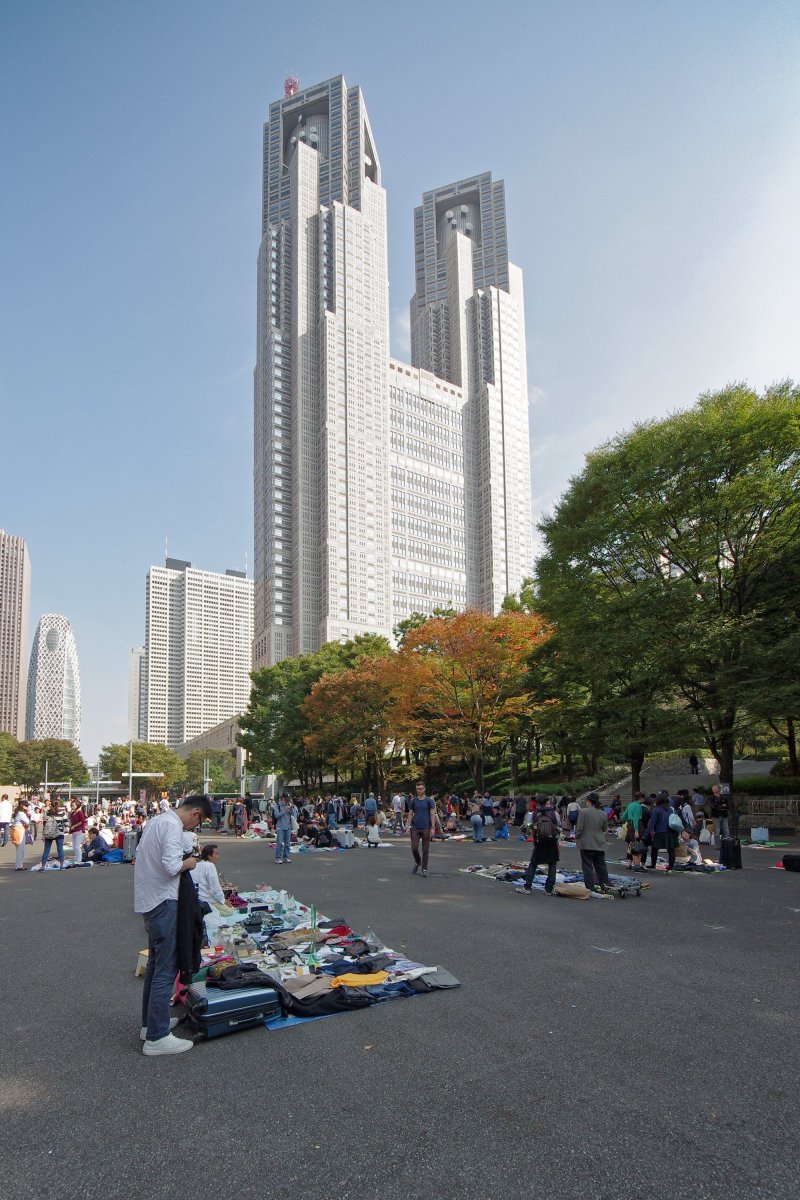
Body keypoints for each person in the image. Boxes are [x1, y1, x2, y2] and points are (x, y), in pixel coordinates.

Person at [134, 794, 212, 1056]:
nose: (194, 827)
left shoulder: (156, 821)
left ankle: (150, 1025)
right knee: (166, 969)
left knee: (156, 965)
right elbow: (171, 867)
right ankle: (157, 1038)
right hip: (164, 901)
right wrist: (189, 862)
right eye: (198, 822)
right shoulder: (172, 826)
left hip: (150, 900)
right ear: (196, 813)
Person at [522, 797, 561, 895]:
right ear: (547, 802)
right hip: (552, 842)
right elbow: (558, 827)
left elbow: (530, 827)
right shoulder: (554, 814)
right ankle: (549, 889)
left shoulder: (535, 813)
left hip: (539, 842)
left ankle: (527, 887)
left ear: (538, 803)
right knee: (552, 865)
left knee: (533, 864)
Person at [575, 793, 611, 892]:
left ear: (589, 801)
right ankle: (604, 884)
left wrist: (576, 837)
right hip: (599, 842)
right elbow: (604, 829)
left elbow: (579, 829)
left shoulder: (583, 812)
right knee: (601, 865)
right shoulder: (603, 814)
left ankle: (590, 886)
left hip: (586, 843)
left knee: (587, 866)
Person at [645, 791, 679, 873]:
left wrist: (646, 834)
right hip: (672, 831)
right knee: (671, 850)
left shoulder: (656, 810)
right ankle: (670, 868)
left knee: (654, 849)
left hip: (660, 832)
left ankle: (653, 865)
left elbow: (652, 823)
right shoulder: (671, 809)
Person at [408, 780, 436, 877]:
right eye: (417, 789)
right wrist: (408, 826)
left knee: (425, 850)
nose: (419, 790)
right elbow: (410, 814)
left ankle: (424, 868)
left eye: (420, 789)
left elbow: (432, 814)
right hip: (415, 827)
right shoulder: (413, 801)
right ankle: (418, 862)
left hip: (426, 828)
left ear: (424, 789)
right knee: (414, 848)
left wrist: (433, 827)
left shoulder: (429, 801)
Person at [620, 792, 646, 871]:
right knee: (638, 845)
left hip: (630, 825)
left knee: (631, 844)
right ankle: (637, 865)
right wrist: (636, 831)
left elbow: (623, 817)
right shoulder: (638, 806)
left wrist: (629, 821)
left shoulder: (630, 805)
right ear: (641, 798)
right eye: (643, 798)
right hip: (637, 825)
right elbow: (636, 819)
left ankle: (630, 863)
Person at [40, 798, 69, 869]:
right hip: (59, 833)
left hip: (49, 832)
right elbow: (67, 824)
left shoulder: (47, 812)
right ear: (59, 805)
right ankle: (61, 866)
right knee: (60, 849)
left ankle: (43, 866)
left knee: (46, 849)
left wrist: (43, 834)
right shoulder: (62, 813)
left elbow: (45, 824)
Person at [272, 794, 294, 864]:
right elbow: (276, 815)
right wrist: (284, 811)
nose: (287, 799)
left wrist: (291, 809)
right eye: (286, 798)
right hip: (280, 826)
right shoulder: (277, 806)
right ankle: (278, 858)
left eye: (288, 798)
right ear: (282, 798)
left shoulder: (288, 804)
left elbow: (293, 814)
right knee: (280, 843)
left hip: (288, 826)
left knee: (287, 843)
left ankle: (286, 857)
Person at [11, 801, 31, 870]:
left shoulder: (17, 812)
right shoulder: (21, 813)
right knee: (20, 850)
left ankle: (19, 865)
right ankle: (18, 866)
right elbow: (27, 821)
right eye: (26, 806)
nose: (27, 807)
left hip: (16, 830)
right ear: (22, 806)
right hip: (19, 831)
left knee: (19, 849)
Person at [68, 798, 88, 866]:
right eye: (71, 805)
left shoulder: (80, 812)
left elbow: (82, 821)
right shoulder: (72, 813)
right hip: (74, 831)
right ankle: (77, 858)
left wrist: (75, 826)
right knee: (74, 846)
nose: (72, 806)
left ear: (77, 806)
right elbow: (70, 820)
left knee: (77, 846)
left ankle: (79, 859)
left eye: (73, 805)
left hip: (80, 830)